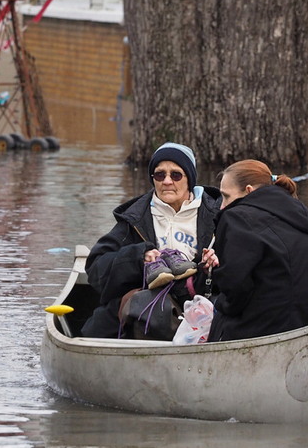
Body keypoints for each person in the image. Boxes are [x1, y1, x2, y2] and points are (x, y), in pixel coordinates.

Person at [80, 142, 221, 338]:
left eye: (176, 175)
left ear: (190, 179)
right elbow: (96, 268)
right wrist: (139, 257)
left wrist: (213, 265)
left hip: (201, 302)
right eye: (159, 174)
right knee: (93, 331)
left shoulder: (218, 214)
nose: (167, 181)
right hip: (146, 303)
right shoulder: (134, 218)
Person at [207, 159, 308, 342]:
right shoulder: (298, 215)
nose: (221, 206)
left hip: (274, 333)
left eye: (226, 197)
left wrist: (217, 302)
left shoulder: (236, 217)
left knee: (219, 312)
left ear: (249, 191)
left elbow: (235, 288)